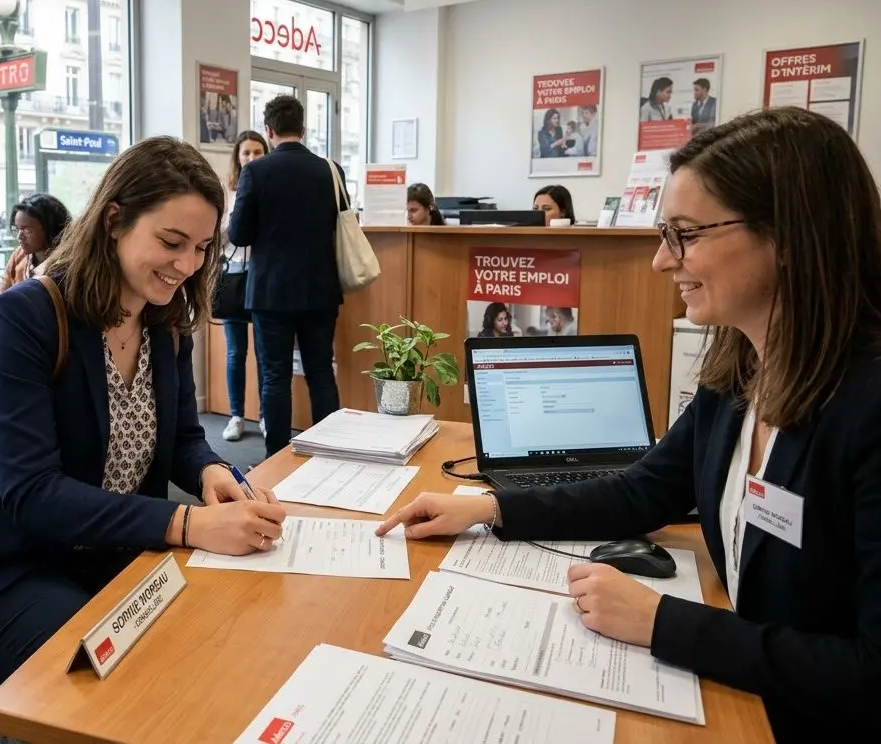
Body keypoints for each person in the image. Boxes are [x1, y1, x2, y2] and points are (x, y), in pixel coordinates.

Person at [376, 107, 881, 743]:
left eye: (685, 235)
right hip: (743, 697)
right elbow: (641, 492)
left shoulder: (865, 408)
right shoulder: (739, 374)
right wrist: (489, 509)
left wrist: (662, 622)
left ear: (790, 235)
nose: (661, 263)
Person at [0, 136, 287, 691]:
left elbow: (185, 437)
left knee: (221, 632)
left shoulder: (164, 324)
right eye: (172, 242)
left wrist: (213, 472)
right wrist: (187, 524)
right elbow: (32, 493)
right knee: (128, 680)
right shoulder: (28, 318)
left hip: (105, 556)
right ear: (114, 220)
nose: (187, 265)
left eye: (204, 248)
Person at [228, 95, 343, 458]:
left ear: (269, 130)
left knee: (275, 377)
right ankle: (330, 454)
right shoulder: (330, 169)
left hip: (271, 292)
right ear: (303, 129)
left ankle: (276, 460)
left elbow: (239, 235)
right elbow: (341, 223)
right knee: (321, 372)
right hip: (321, 288)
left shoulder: (256, 172)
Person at [220, 130, 268, 442]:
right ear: (237, 157)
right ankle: (236, 415)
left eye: (257, 152)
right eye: (246, 152)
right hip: (234, 276)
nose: (251, 158)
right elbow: (220, 236)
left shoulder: (271, 186)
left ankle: (266, 416)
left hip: (263, 277)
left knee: (266, 353)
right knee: (236, 351)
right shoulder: (228, 191)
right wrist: (236, 218)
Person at [0, 193, 72, 312]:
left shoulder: (69, 263)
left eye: (27, 230)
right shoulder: (19, 255)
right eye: (17, 229)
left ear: (50, 228)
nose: (19, 236)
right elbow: (4, 290)